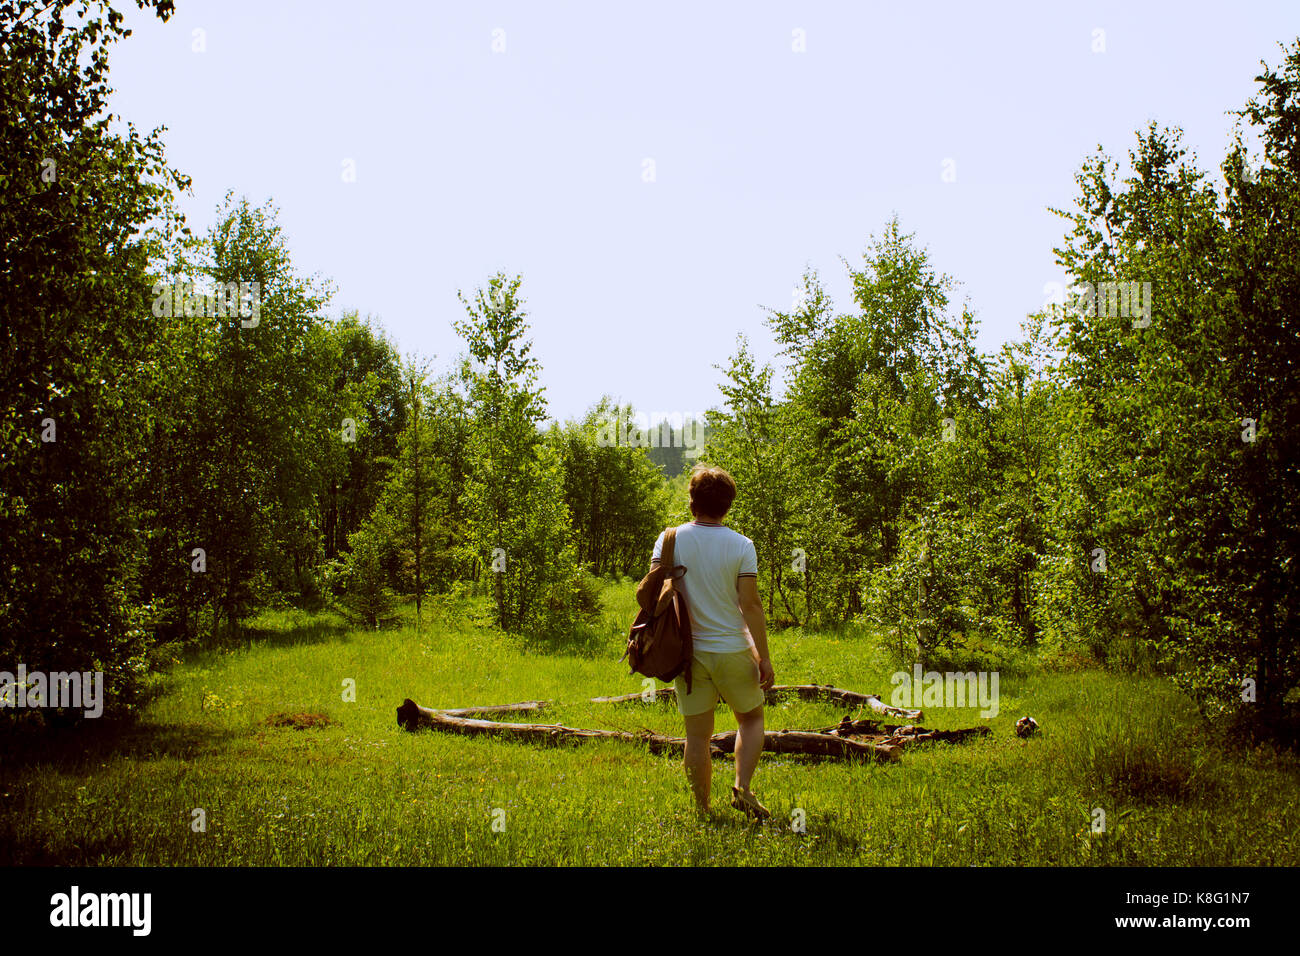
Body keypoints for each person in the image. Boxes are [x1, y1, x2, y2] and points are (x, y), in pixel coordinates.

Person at [650, 464, 775, 820]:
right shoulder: (741, 545)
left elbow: (656, 592)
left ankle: (703, 810)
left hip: (687, 654)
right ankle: (743, 789)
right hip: (734, 649)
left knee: (697, 736)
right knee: (751, 718)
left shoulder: (669, 539)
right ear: (728, 504)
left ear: (692, 500)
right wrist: (763, 657)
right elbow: (749, 605)